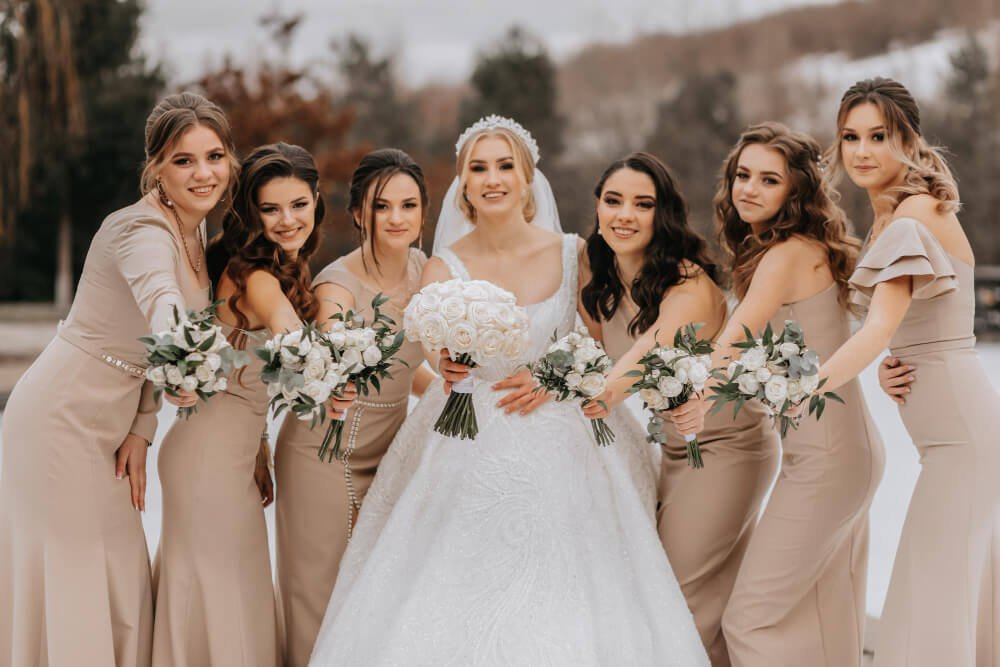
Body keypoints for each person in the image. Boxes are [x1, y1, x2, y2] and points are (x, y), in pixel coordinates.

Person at [308, 116, 709, 666]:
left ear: (527, 180)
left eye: (505, 167)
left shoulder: (576, 253)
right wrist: (447, 363)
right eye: (478, 168)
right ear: (463, 184)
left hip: (564, 424)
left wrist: (557, 377)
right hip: (467, 429)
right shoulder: (443, 266)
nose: (492, 178)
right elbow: (432, 348)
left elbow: (601, 345)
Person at [0, 91, 236, 666]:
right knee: (74, 576)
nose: (203, 173)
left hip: (110, 425)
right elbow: (160, 301)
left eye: (214, 156)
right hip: (59, 420)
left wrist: (142, 422)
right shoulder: (140, 231)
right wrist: (185, 354)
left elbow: (147, 349)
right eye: (184, 160)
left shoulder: (195, 229)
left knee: (120, 573)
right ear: (155, 167)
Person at [818, 77, 1000, 666]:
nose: (862, 151)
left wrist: (804, 386)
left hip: (960, 440)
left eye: (879, 136)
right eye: (850, 136)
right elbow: (912, 330)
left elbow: (874, 330)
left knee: (933, 587)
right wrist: (894, 366)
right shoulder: (889, 220)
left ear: (910, 140)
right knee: (949, 587)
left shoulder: (911, 216)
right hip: (949, 431)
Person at [578, 152, 780, 665]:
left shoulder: (688, 284)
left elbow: (637, 365)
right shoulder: (600, 280)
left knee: (674, 594)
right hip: (674, 450)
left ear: (662, 214)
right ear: (597, 208)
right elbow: (590, 353)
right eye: (613, 200)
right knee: (706, 603)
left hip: (729, 447)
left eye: (642, 204)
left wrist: (572, 393)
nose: (624, 214)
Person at [152, 142, 350, 665]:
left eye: (299, 205)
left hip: (227, 452)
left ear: (316, 204)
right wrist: (337, 378)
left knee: (225, 597)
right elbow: (299, 353)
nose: (288, 220)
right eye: (271, 208)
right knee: (223, 602)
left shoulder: (277, 268)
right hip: (208, 460)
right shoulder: (256, 276)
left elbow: (244, 370)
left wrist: (260, 442)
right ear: (251, 213)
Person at [708, 122, 884, 666]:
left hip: (829, 458)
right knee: (828, 616)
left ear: (795, 191)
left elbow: (730, 344)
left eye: (769, 180)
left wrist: (676, 389)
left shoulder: (785, 254)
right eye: (743, 175)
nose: (749, 189)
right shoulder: (798, 248)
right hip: (839, 450)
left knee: (750, 619)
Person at [274, 148, 435, 665]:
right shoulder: (336, 286)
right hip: (324, 450)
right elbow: (330, 358)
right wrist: (333, 371)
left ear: (423, 213)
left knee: (374, 595)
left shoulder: (428, 272)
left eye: (408, 206)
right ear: (359, 214)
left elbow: (409, 371)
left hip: (389, 453)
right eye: (381, 206)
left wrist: (462, 390)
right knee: (318, 595)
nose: (396, 218)